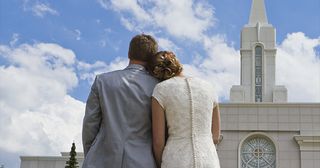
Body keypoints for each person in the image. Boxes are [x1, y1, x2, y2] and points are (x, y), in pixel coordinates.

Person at [82, 34, 159, 168]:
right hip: (143, 162)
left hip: (101, 159)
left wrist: (91, 155)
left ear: (129, 53)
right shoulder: (158, 87)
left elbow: (90, 125)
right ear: (152, 57)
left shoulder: (102, 81)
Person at [149, 51, 221, 168]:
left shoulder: (161, 90)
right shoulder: (209, 87)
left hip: (175, 160)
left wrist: (160, 163)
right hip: (208, 159)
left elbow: (158, 142)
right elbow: (216, 136)